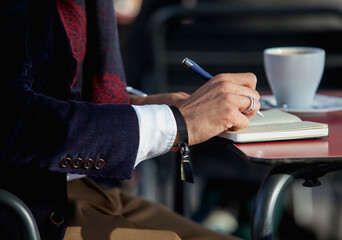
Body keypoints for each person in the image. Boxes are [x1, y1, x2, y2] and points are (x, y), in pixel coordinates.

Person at [0, 0, 260, 239]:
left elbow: (42, 81)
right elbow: (13, 119)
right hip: (23, 208)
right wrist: (175, 123)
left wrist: (141, 105)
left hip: (80, 189)